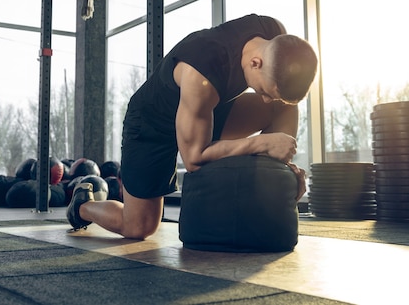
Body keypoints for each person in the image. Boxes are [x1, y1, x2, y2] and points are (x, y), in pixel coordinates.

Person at [67, 13, 318, 239]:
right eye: (263, 90)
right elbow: (194, 158)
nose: (263, 99)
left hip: (210, 109)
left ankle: (270, 182)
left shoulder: (273, 32)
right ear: (255, 63)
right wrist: (260, 142)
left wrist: (283, 170)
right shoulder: (201, 73)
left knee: (283, 104)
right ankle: (82, 206)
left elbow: (277, 98)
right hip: (152, 125)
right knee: (138, 227)